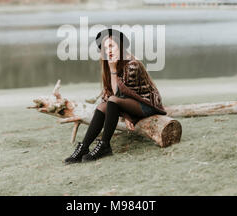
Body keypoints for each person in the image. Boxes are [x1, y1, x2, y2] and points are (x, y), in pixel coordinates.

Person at [64, 28, 167, 164]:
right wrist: (126, 115)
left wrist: (113, 70)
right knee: (101, 106)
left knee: (112, 100)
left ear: (121, 46)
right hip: (127, 104)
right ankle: (84, 147)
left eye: (112, 46)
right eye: (106, 48)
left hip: (146, 105)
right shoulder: (111, 63)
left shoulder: (132, 65)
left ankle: (105, 145)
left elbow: (120, 96)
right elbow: (110, 95)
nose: (109, 51)